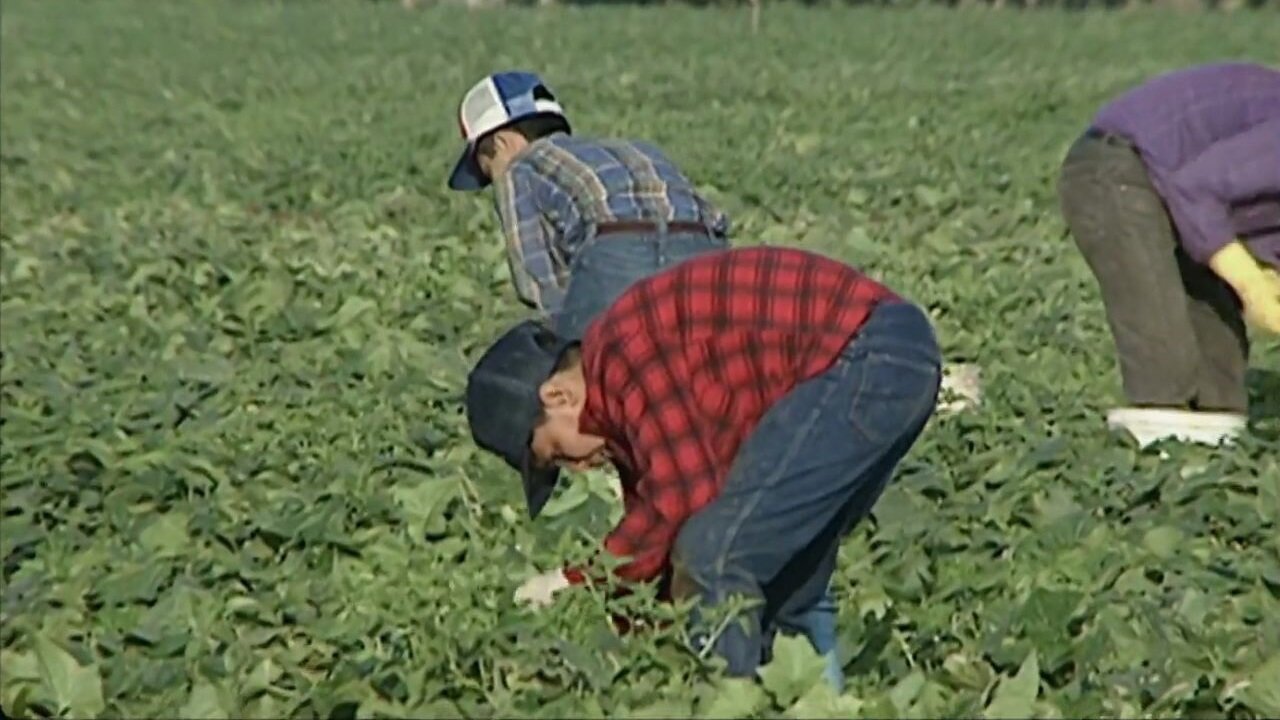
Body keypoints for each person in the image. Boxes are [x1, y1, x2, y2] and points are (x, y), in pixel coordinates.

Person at [463, 246, 942, 688]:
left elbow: (680, 501)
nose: (580, 466)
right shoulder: (623, 408)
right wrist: (634, 638)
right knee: (786, 581)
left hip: (867, 354)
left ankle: (732, 705)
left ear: (558, 396)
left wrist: (575, 581)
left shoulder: (622, 352)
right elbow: (661, 541)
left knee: (715, 555)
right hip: (882, 356)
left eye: (558, 453)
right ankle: (821, 705)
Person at [1057, 62, 1280, 447]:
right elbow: (1197, 189)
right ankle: (1150, 480)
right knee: (1165, 362)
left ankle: (1209, 483)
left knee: (1220, 372)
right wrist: (1252, 285)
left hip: (1181, 196)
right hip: (1117, 167)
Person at [446, 70, 732, 340]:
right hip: (703, 259)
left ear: (501, 142)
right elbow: (715, 220)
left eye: (486, 166)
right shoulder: (636, 149)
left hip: (618, 254)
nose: (492, 178)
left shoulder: (519, 168)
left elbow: (539, 283)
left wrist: (569, 343)